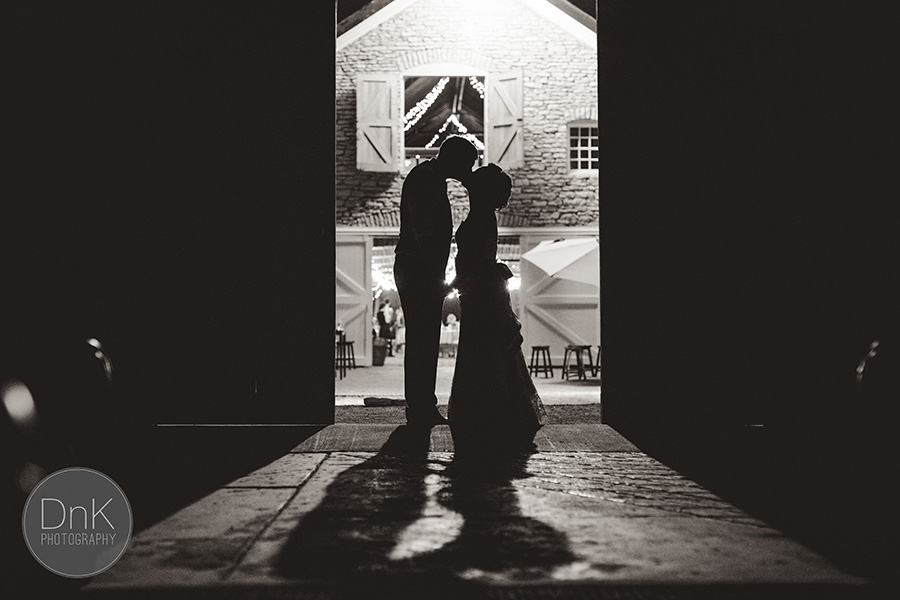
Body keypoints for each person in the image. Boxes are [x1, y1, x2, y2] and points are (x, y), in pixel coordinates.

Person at [448, 163, 546, 454]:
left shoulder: (481, 217)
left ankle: (490, 419)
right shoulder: (481, 215)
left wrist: (450, 285)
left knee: (484, 353)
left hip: (481, 294)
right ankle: (491, 418)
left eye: (472, 189)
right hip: (478, 292)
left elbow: (477, 263)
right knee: (485, 353)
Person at [394, 135, 479, 427]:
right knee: (422, 338)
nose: (468, 171)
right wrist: (435, 277)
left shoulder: (432, 177)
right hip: (417, 268)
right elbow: (423, 231)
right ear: (454, 159)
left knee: (426, 338)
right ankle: (419, 407)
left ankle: (421, 405)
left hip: (422, 269)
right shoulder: (424, 179)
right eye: (467, 164)